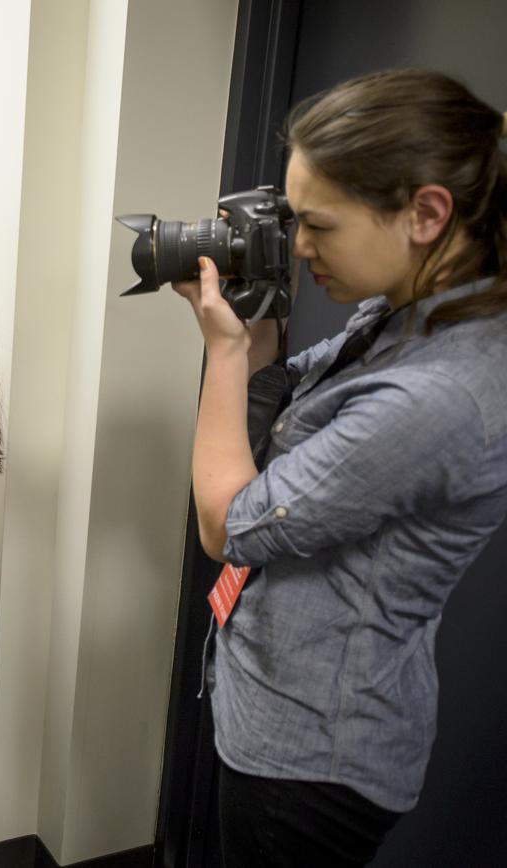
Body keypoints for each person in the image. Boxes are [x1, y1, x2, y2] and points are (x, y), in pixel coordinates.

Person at [172, 69, 507, 867]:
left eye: (319, 225)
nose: (299, 246)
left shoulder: (440, 395)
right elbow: (288, 389)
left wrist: (223, 350)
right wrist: (253, 320)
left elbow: (227, 524)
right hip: (281, 703)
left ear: (427, 213)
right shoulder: (405, 316)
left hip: (310, 760)